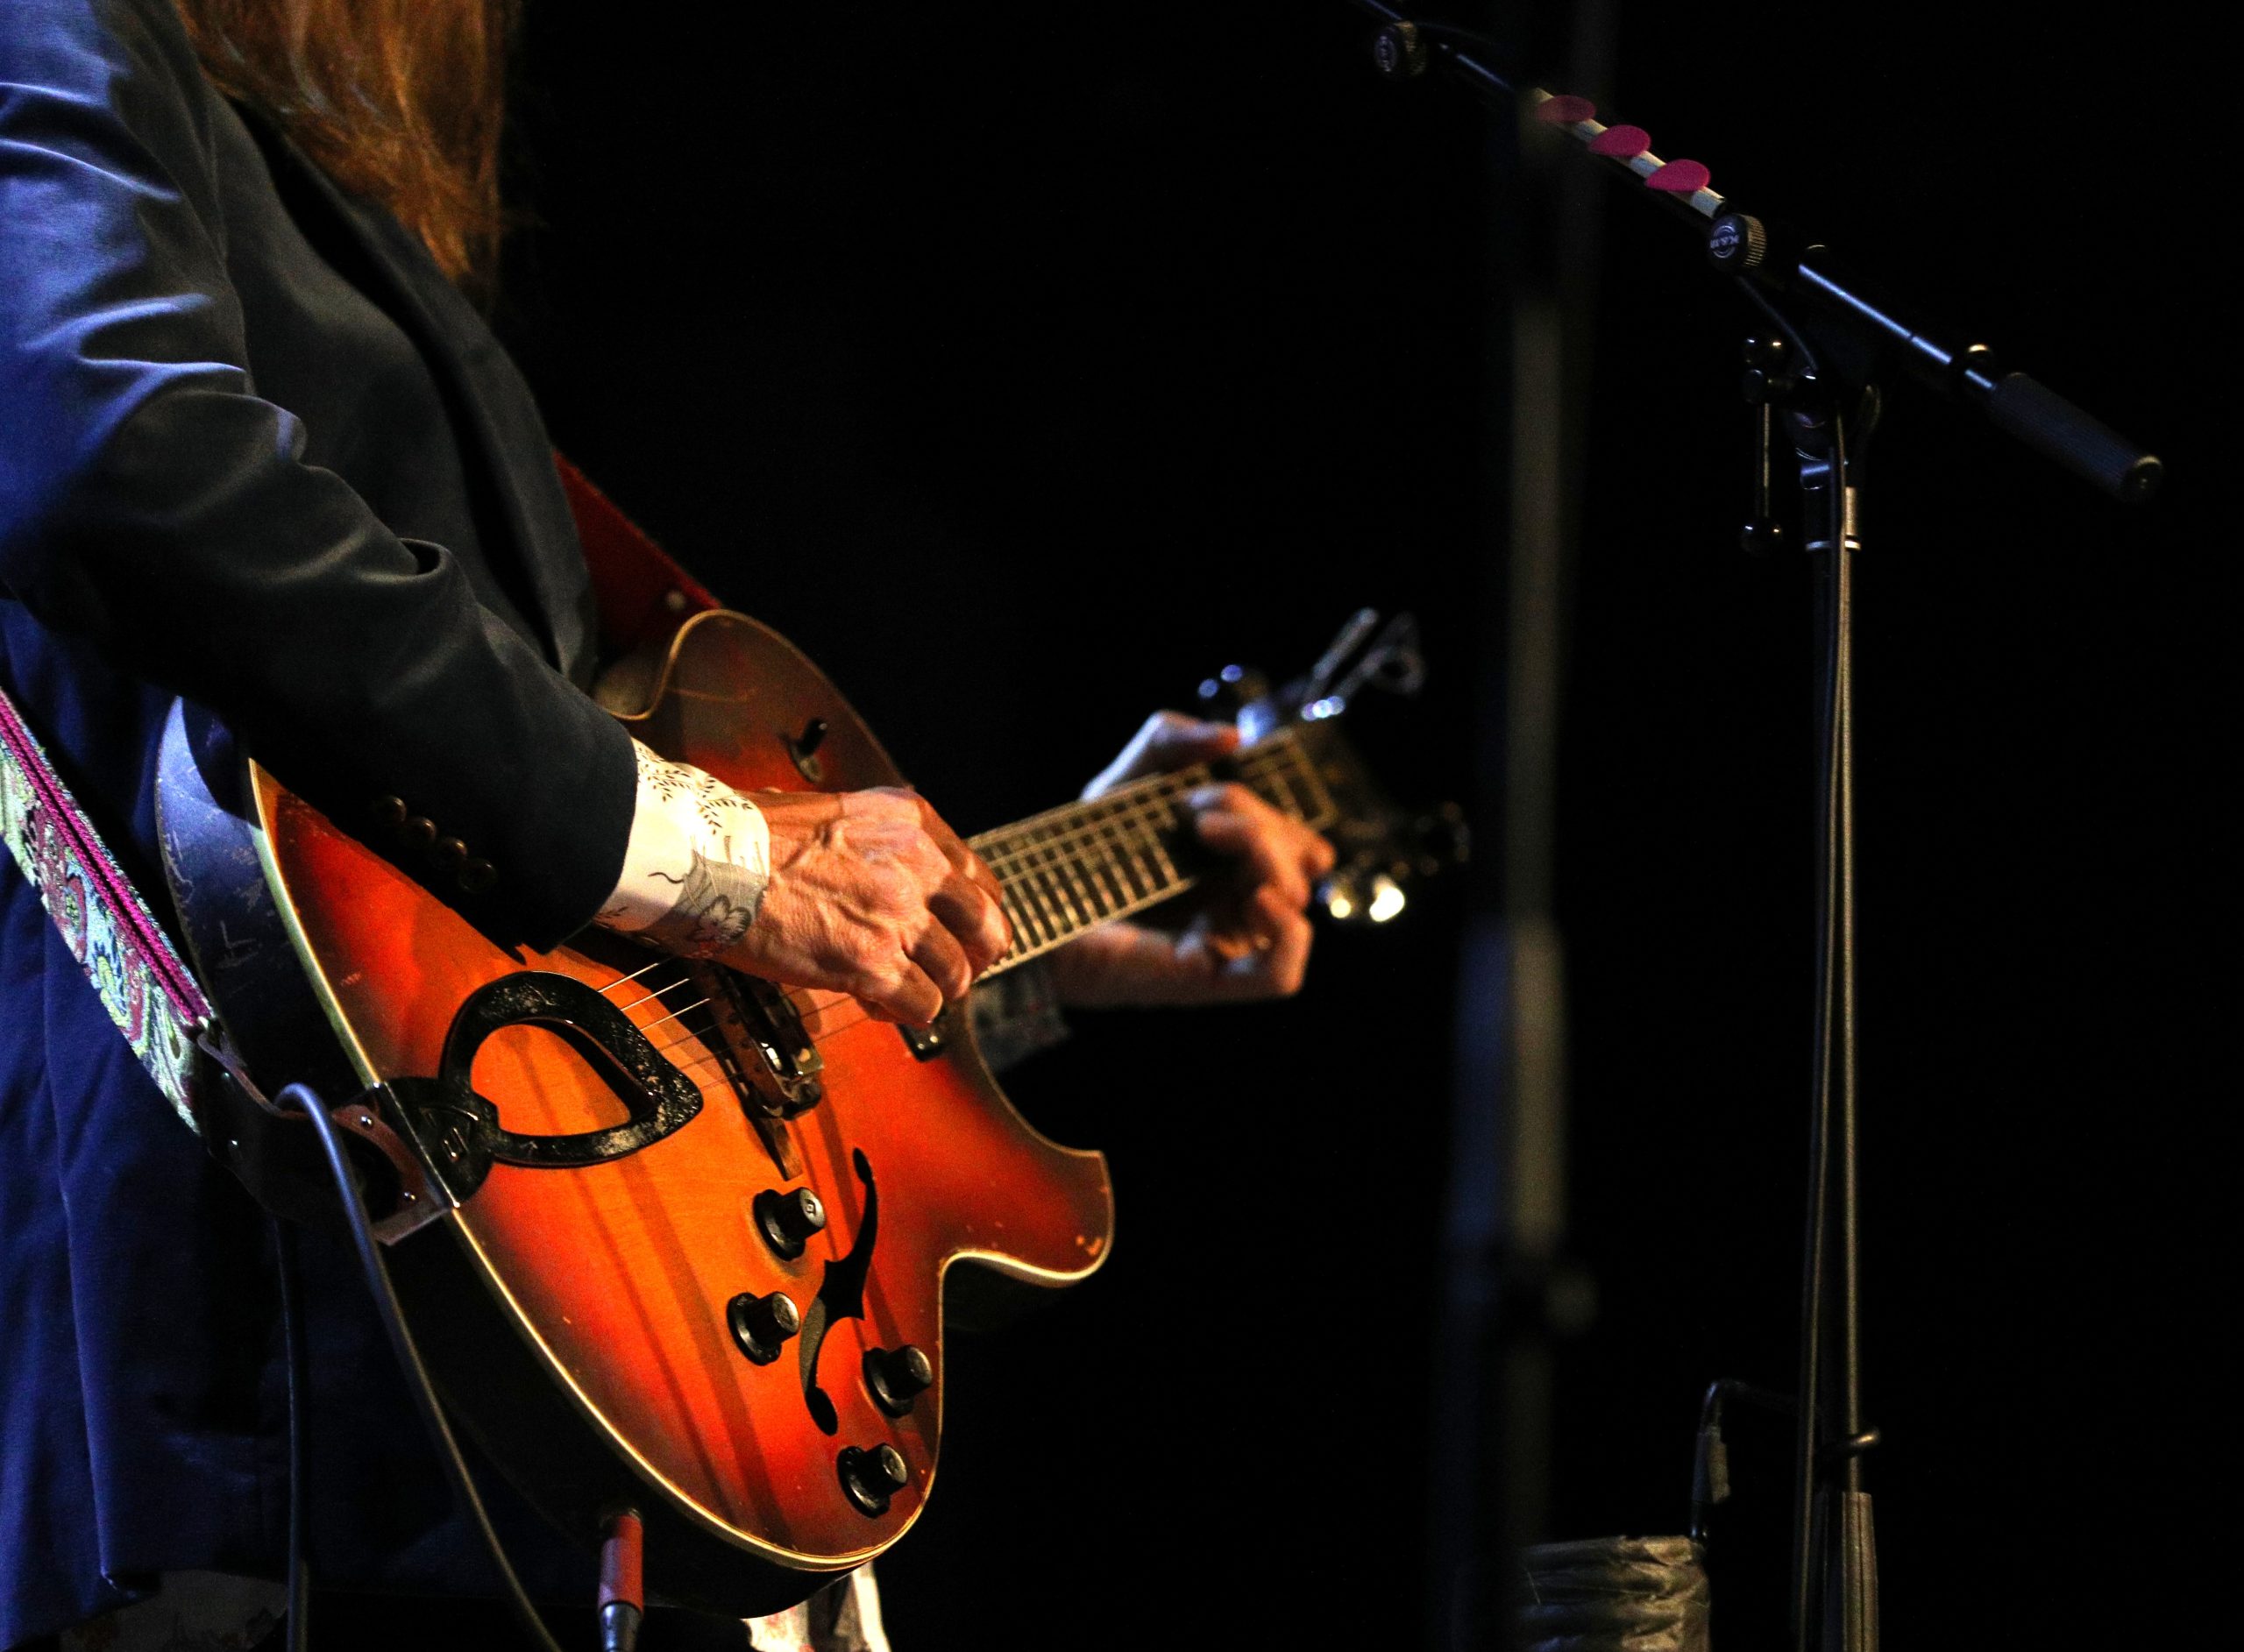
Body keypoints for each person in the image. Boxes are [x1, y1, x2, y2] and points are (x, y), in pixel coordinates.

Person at [0, 3, 1334, 1649]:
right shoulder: (68, 27)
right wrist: (730, 864)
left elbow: (532, 950)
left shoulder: (303, 189)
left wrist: (996, 955)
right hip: (253, 1382)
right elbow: (117, 451)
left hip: (496, 1402)